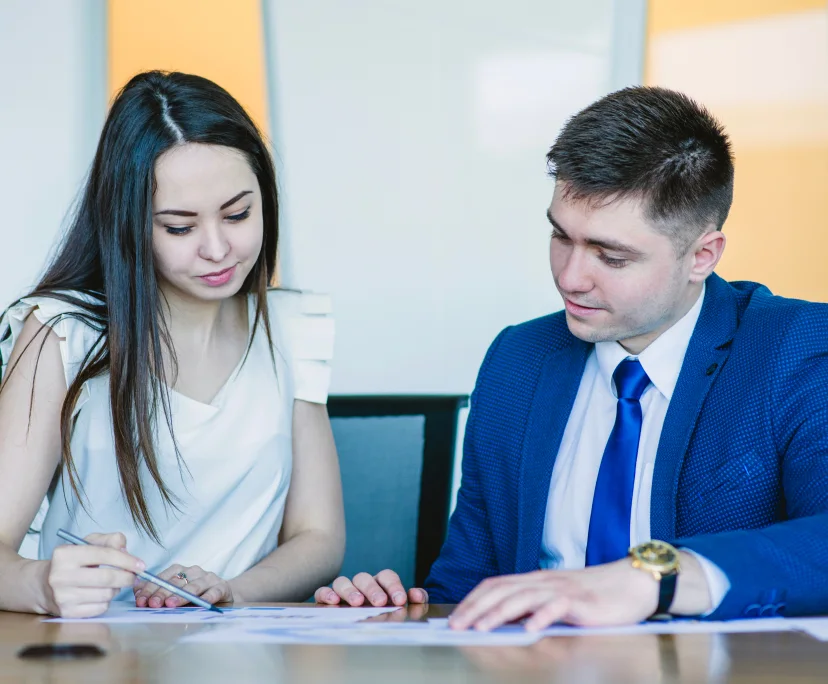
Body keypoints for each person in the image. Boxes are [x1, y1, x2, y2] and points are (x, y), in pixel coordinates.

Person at [316, 86, 828, 629]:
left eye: (611, 256)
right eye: (560, 236)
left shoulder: (795, 349)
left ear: (702, 255)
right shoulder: (519, 360)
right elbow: (466, 585)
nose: (569, 277)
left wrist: (655, 578)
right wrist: (398, 610)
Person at [0, 71, 344, 618]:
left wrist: (230, 590)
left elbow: (318, 536)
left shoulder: (290, 327)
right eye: (180, 228)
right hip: (99, 648)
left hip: (243, 644)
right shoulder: (62, 333)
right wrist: (41, 584)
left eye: (238, 214)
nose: (217, 248)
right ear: (128, 225)